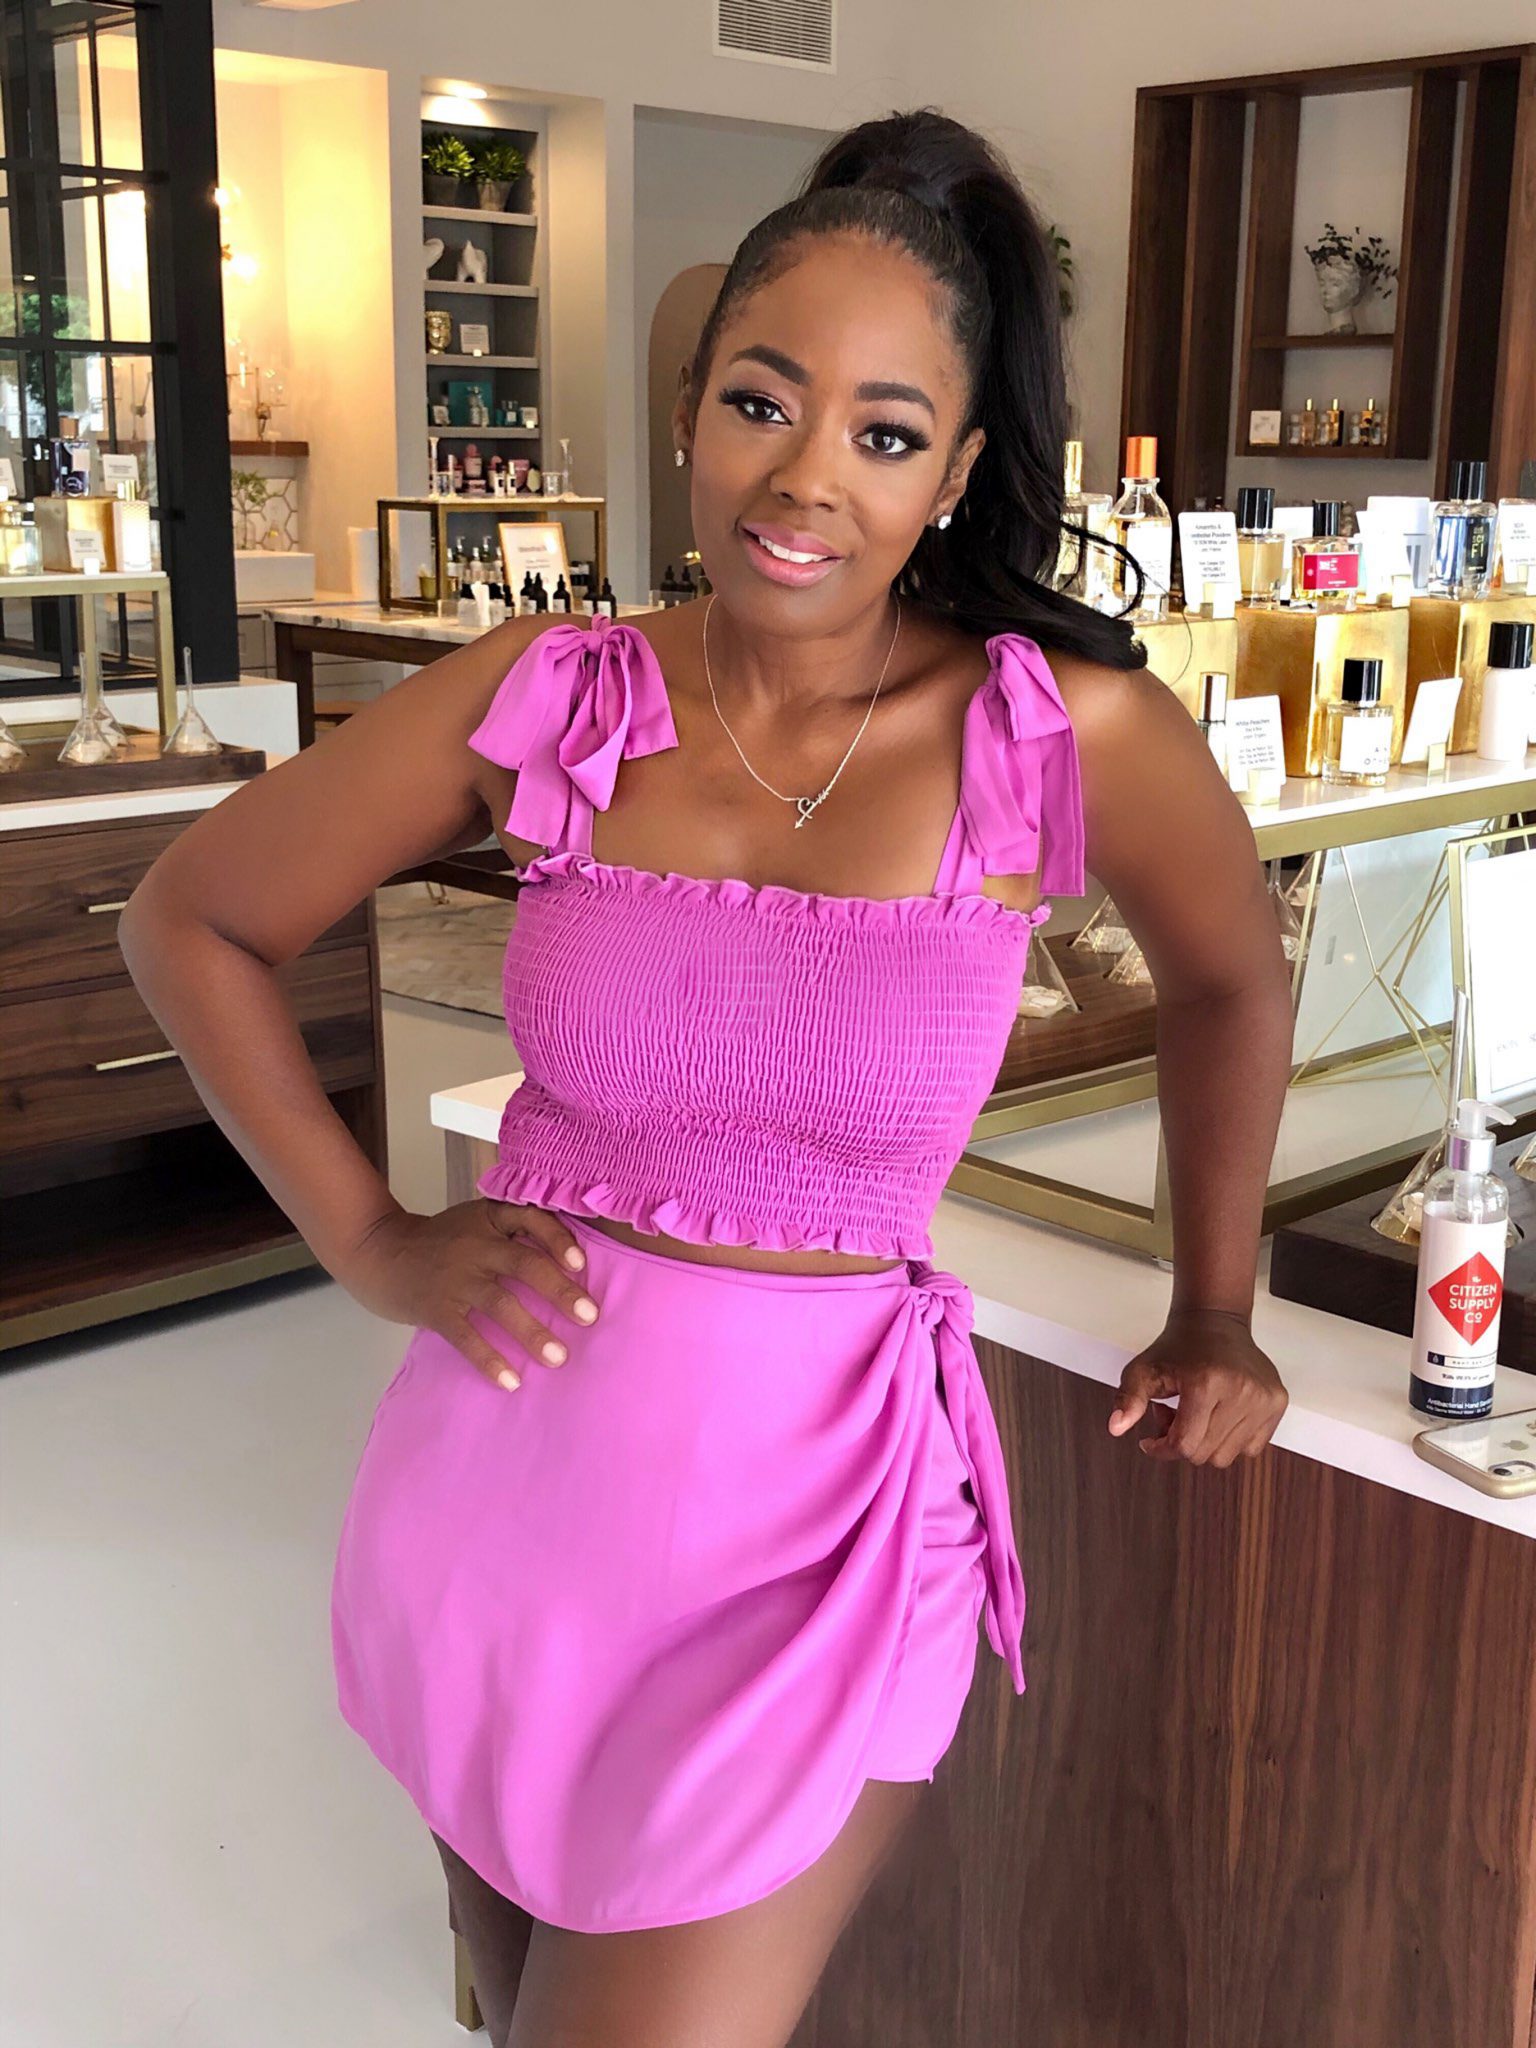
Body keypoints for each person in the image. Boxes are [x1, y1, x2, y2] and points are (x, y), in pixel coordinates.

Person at [121, 109, 1292, 2048]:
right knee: (513, 2004)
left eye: (886, 434)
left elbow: (1233, 977)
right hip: (507, 1496)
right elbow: (196, 919)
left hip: (821, 1538)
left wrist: (1220, 1301)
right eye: (762, 401)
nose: (805, 476)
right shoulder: (558, 694)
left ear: (958, 473)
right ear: (690, 412)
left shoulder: (1057, 730)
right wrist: (374, 1242)